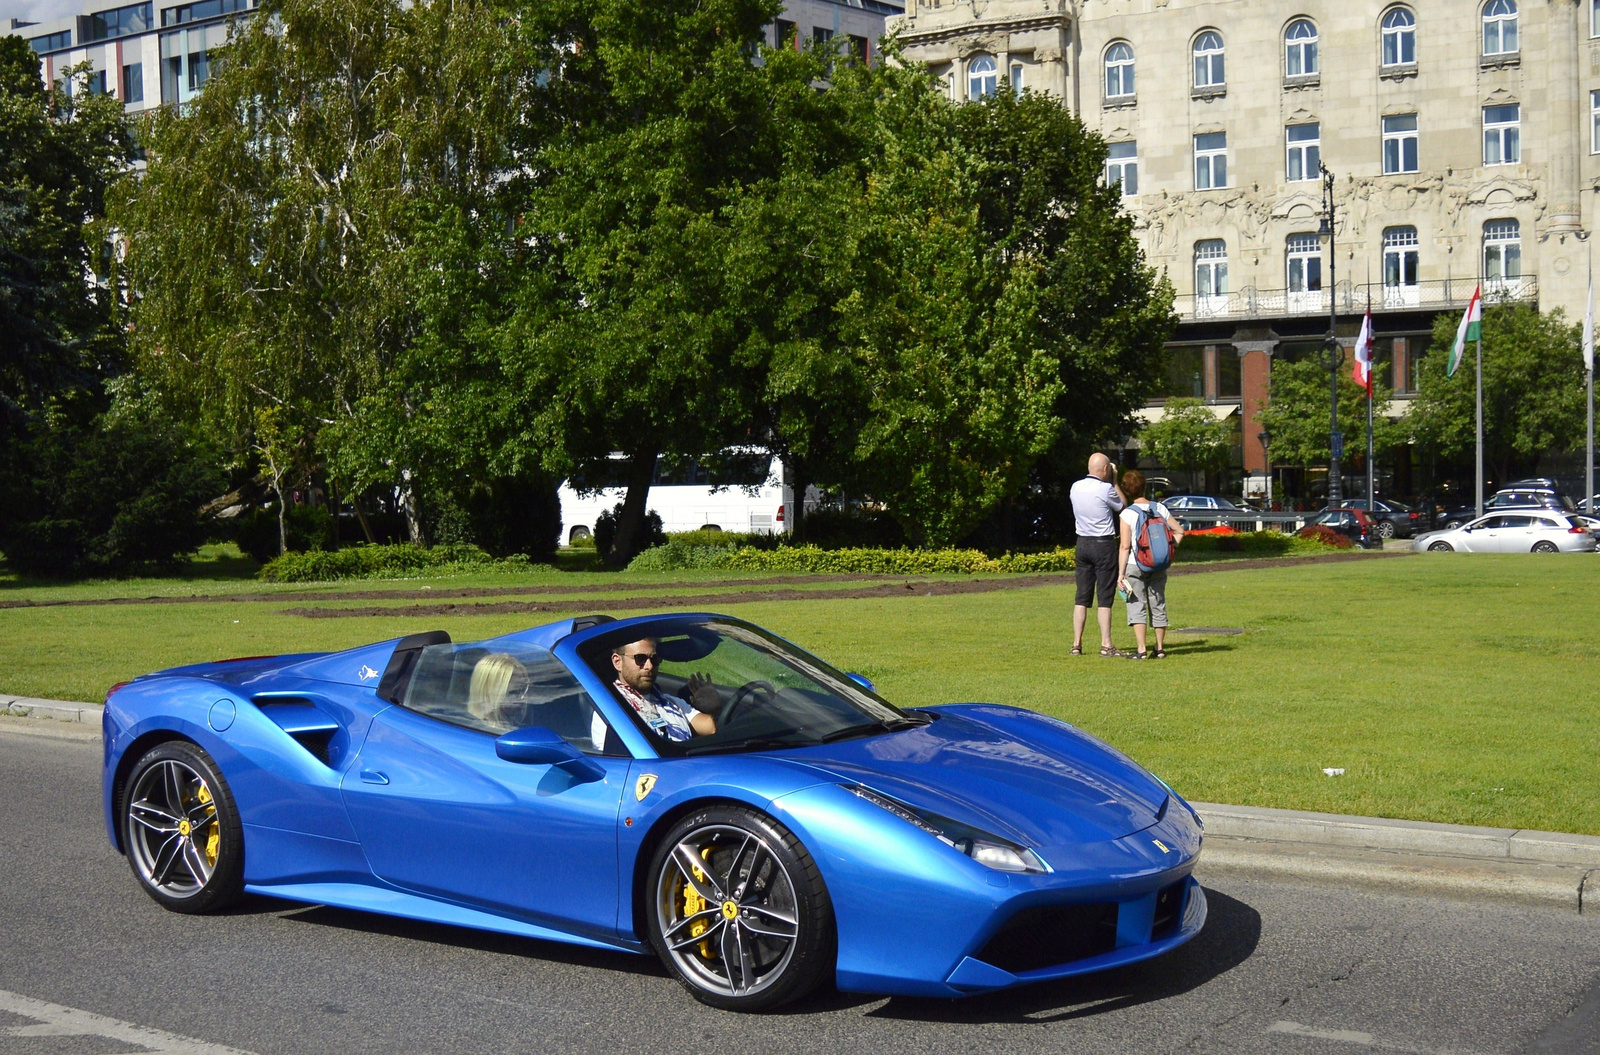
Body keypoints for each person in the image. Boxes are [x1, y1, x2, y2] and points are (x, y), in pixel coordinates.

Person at [1117, 469, 1184, 660]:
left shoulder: (1127, 514)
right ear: (1144, 487)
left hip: (1135, 564)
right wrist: (1168, 551)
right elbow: (1179, 531)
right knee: (1158, 603)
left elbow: (1124, 546)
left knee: (1136, 604)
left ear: (1127, 490)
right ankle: (1160, 648)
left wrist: (1120, 574)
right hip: (1159, 564)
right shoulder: (1160, 508)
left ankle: (1141, 649)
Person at [1070, 452, 1128, 656]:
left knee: (1081, 597)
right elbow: (1123, 506)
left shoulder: (1075, 486)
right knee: (1104, 597)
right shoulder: (1106, 489)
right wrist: (1114, 480)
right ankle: (1106, 644)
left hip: (1082, 542)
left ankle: (1076, 644)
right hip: (1103, 544)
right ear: (1105, 470)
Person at [610, 638, 717, 741]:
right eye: (640, 658)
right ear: (617, 662)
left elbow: (713, 729)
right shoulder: (610, 707)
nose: (649, 666)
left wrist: (713, 709)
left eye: (654, 659)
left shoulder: (672, 703)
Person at [467, 653, 526, 725]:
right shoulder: (480, 732)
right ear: (488, 695)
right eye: (514, 692)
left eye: (524, 688)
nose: (523, 697)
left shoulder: (518, 721)